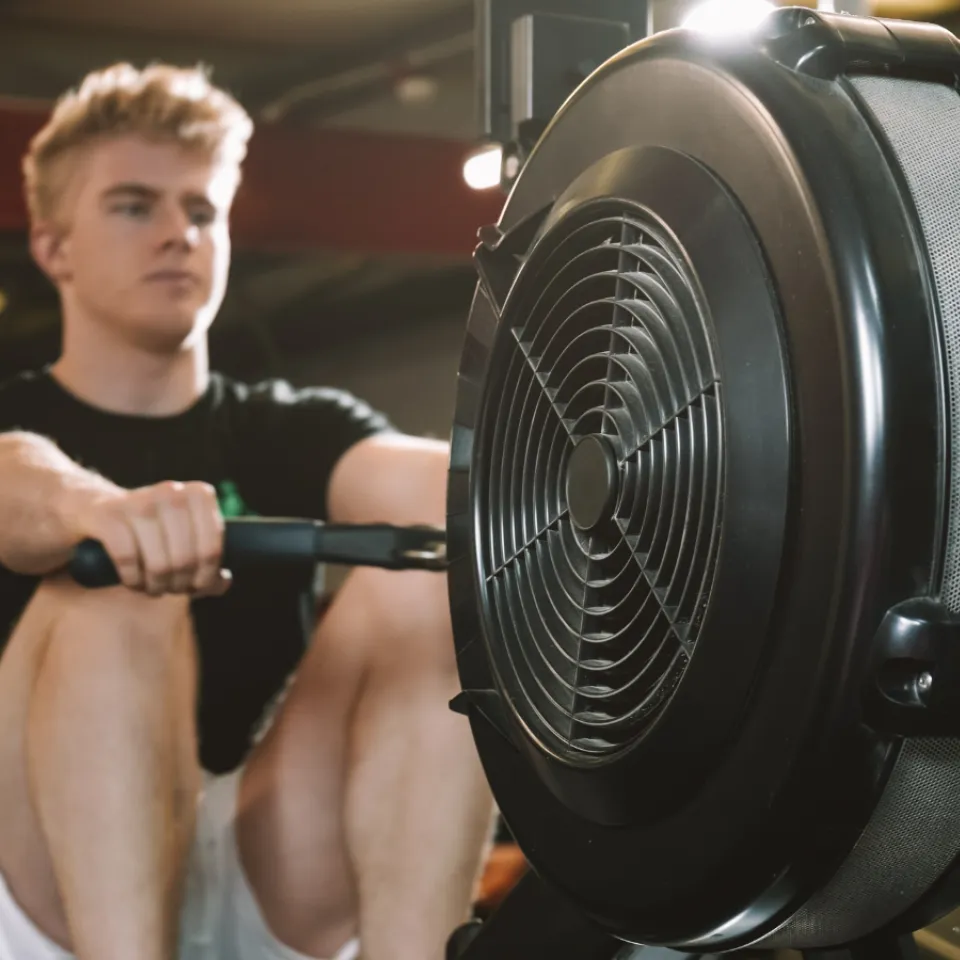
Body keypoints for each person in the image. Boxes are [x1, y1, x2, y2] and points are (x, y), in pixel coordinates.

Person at [0, 63, 494, 960]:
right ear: (52, 246)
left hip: (261, 853)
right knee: (113, 585)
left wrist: (588, 468)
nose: (178, 235)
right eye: (134, 205)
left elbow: (445, 492)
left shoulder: (290, 426)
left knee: (432, 584)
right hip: (42, 880)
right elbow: (13, 481)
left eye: (201, 211)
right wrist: (101, 513)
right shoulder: (17, 422)